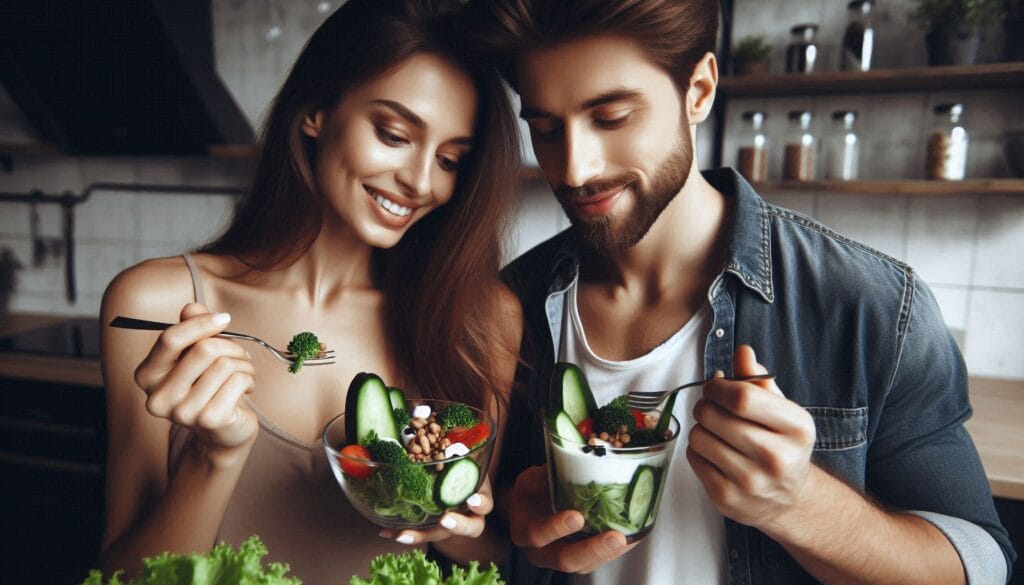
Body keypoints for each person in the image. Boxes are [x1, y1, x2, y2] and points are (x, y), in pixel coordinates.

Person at [464, 1, 1016, 583]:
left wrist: (800, 503)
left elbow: (981, 564)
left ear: (698, 90)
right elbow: (482, 537)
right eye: (546, 129)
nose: (574, 169)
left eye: (611, 117)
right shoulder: (509, 305)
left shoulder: (870, 304)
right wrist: (514, 531)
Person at [98, 0, 523, 581]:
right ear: (317, 111)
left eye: (451, 160)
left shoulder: (480, 316)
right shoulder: (157, 303)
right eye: (394, 134)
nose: (422, 182)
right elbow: (121, 577)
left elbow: (486, 552)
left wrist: (455, 526)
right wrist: (212, 457)